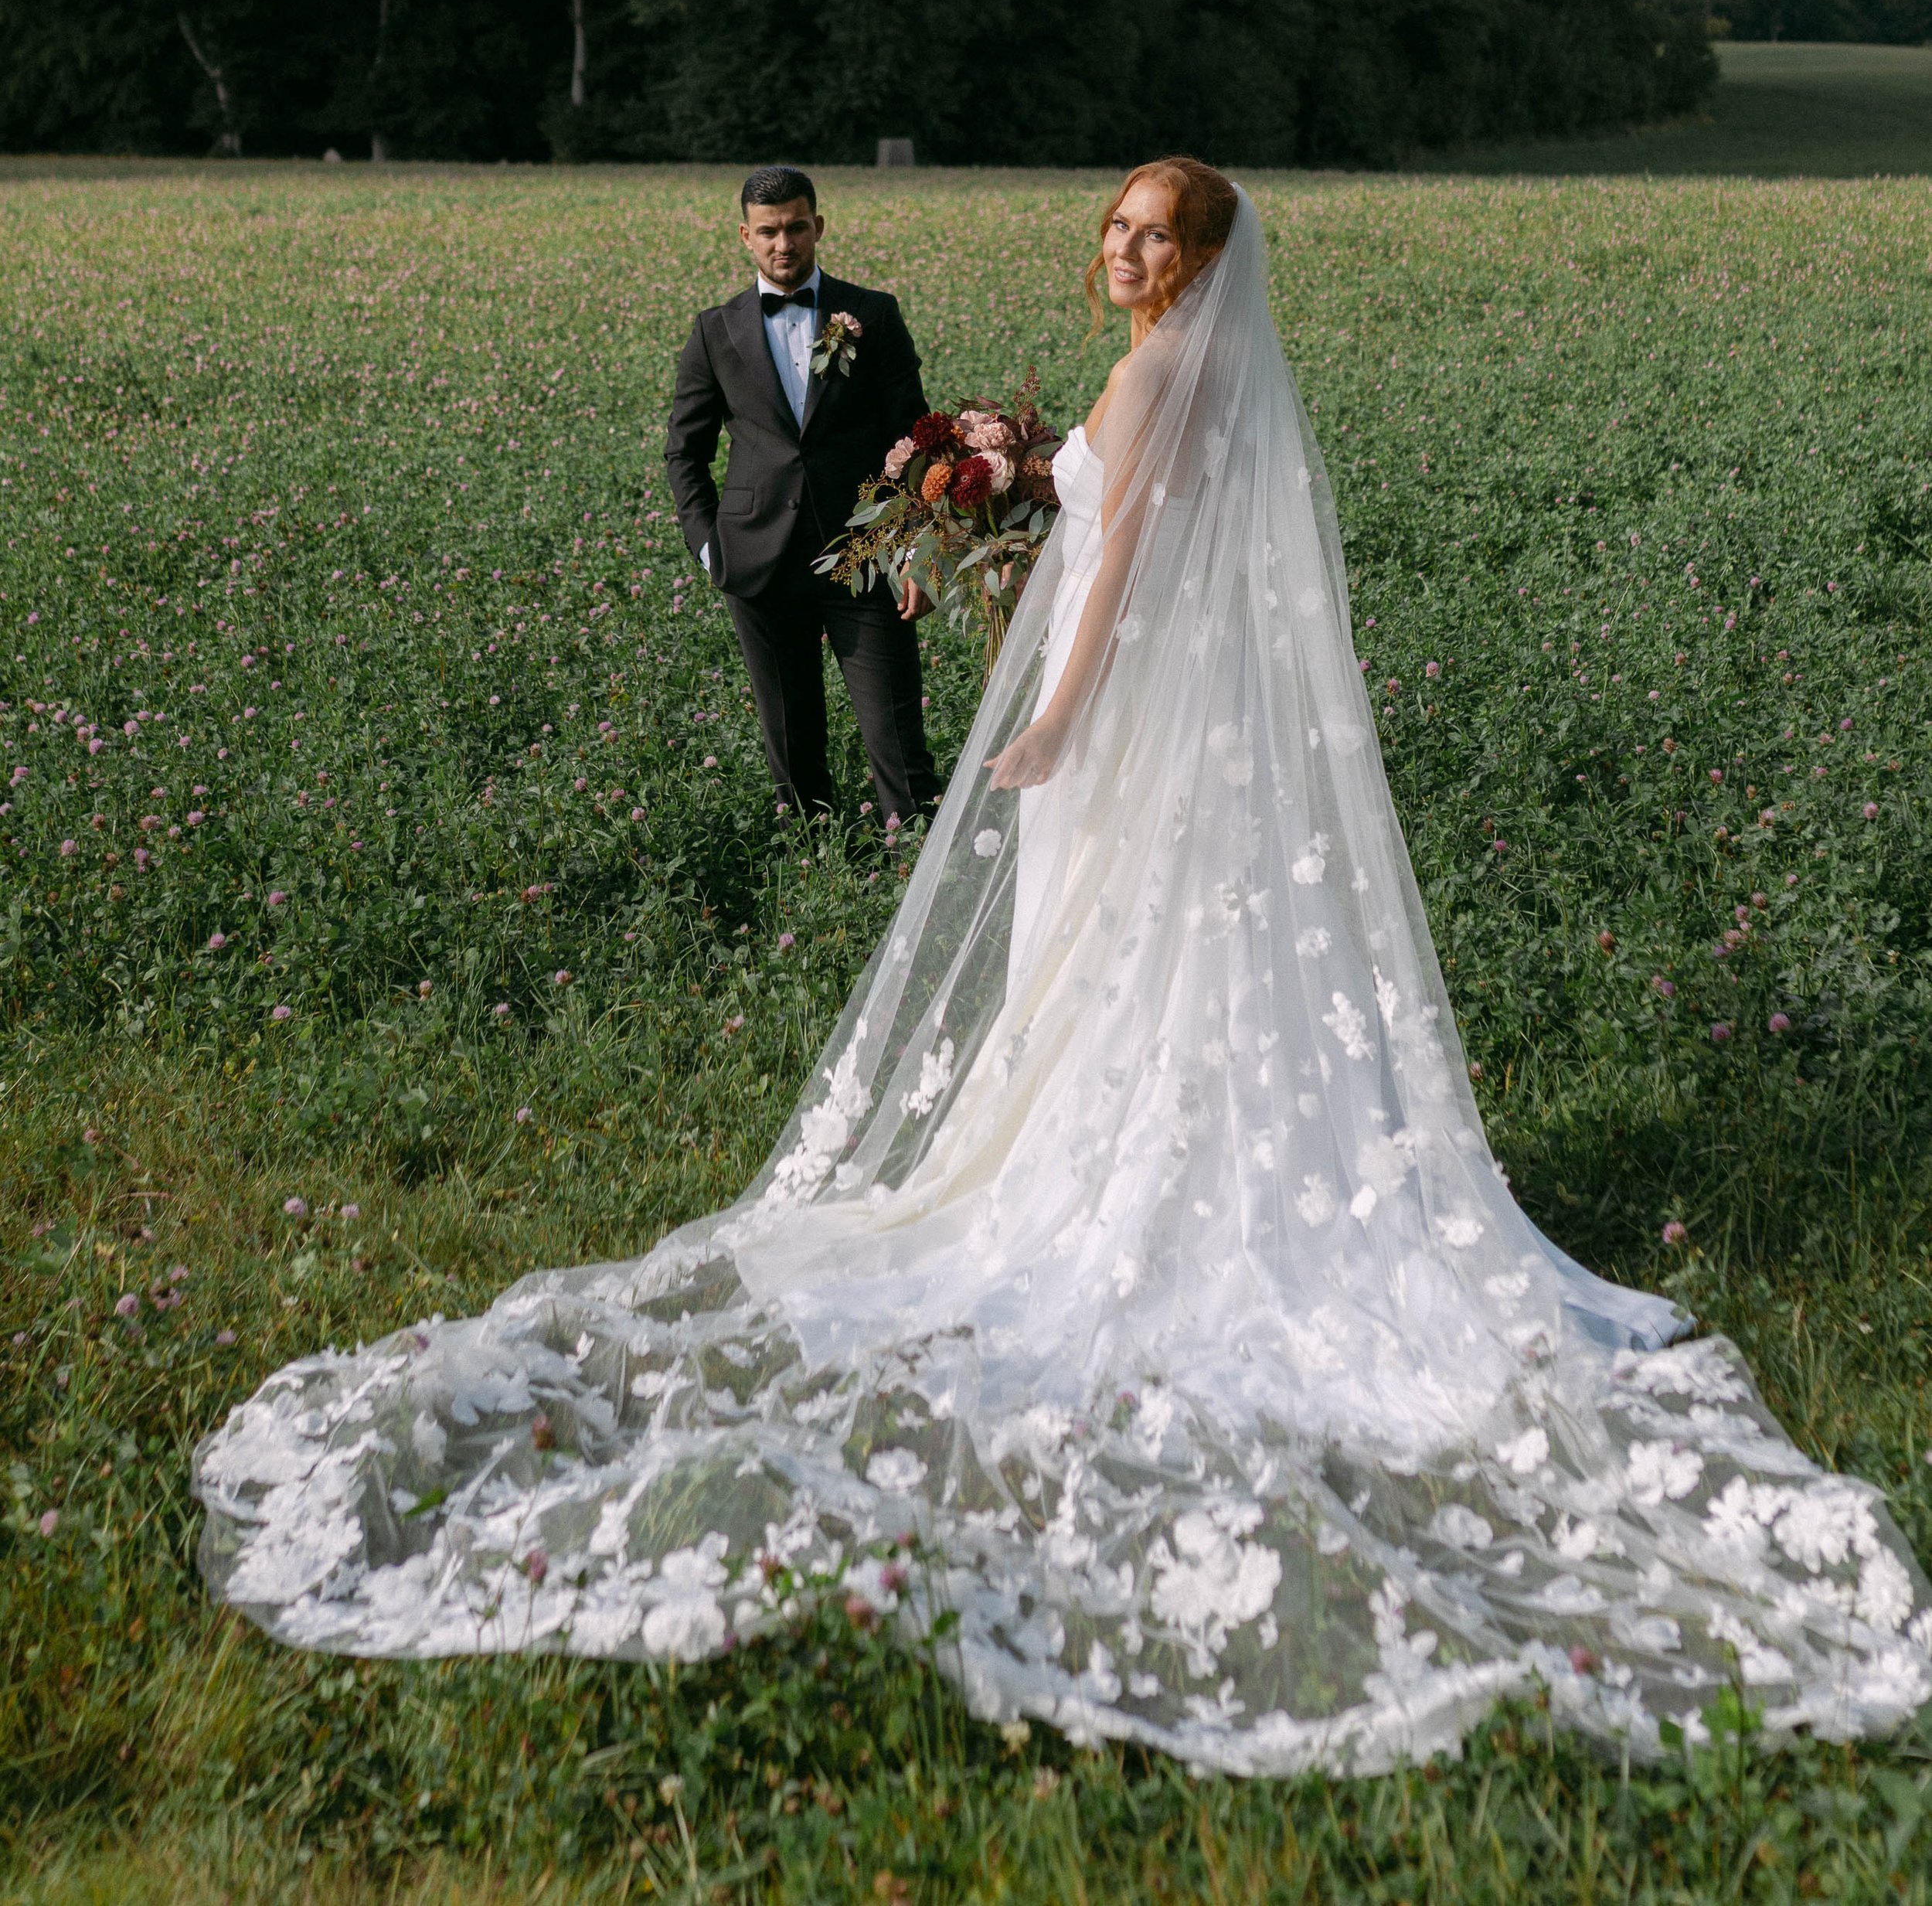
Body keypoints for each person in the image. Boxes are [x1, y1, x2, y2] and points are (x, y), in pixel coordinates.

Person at [197, 159, 1932, 1773]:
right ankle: (1126, 1138)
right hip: (1149, 723)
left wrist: (1050, 715)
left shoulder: (1171, 373)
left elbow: (1114, 580)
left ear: (1202, 262)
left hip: (1117, 724)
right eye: (1112, 228)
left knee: (1118, 950)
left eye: (1151, 237)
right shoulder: (1174, 367)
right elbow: (1101, 513)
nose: (1120, 252)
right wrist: (1023, 469)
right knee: (1122, 961)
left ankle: (1123, 1173)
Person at [664, 164, 937, 825]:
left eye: (795, 228)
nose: (783, 244)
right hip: (758, 563)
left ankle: (924, 873)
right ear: (745, 237)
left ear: (818, 226)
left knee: (898, 739)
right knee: (791, 741)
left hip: (866, 557)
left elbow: (916, 438)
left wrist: (917, 548)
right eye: (767, 232)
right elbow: (684, 452)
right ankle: (819, 865)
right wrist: (710, 549)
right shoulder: (715, 330)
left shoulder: (872, 314)